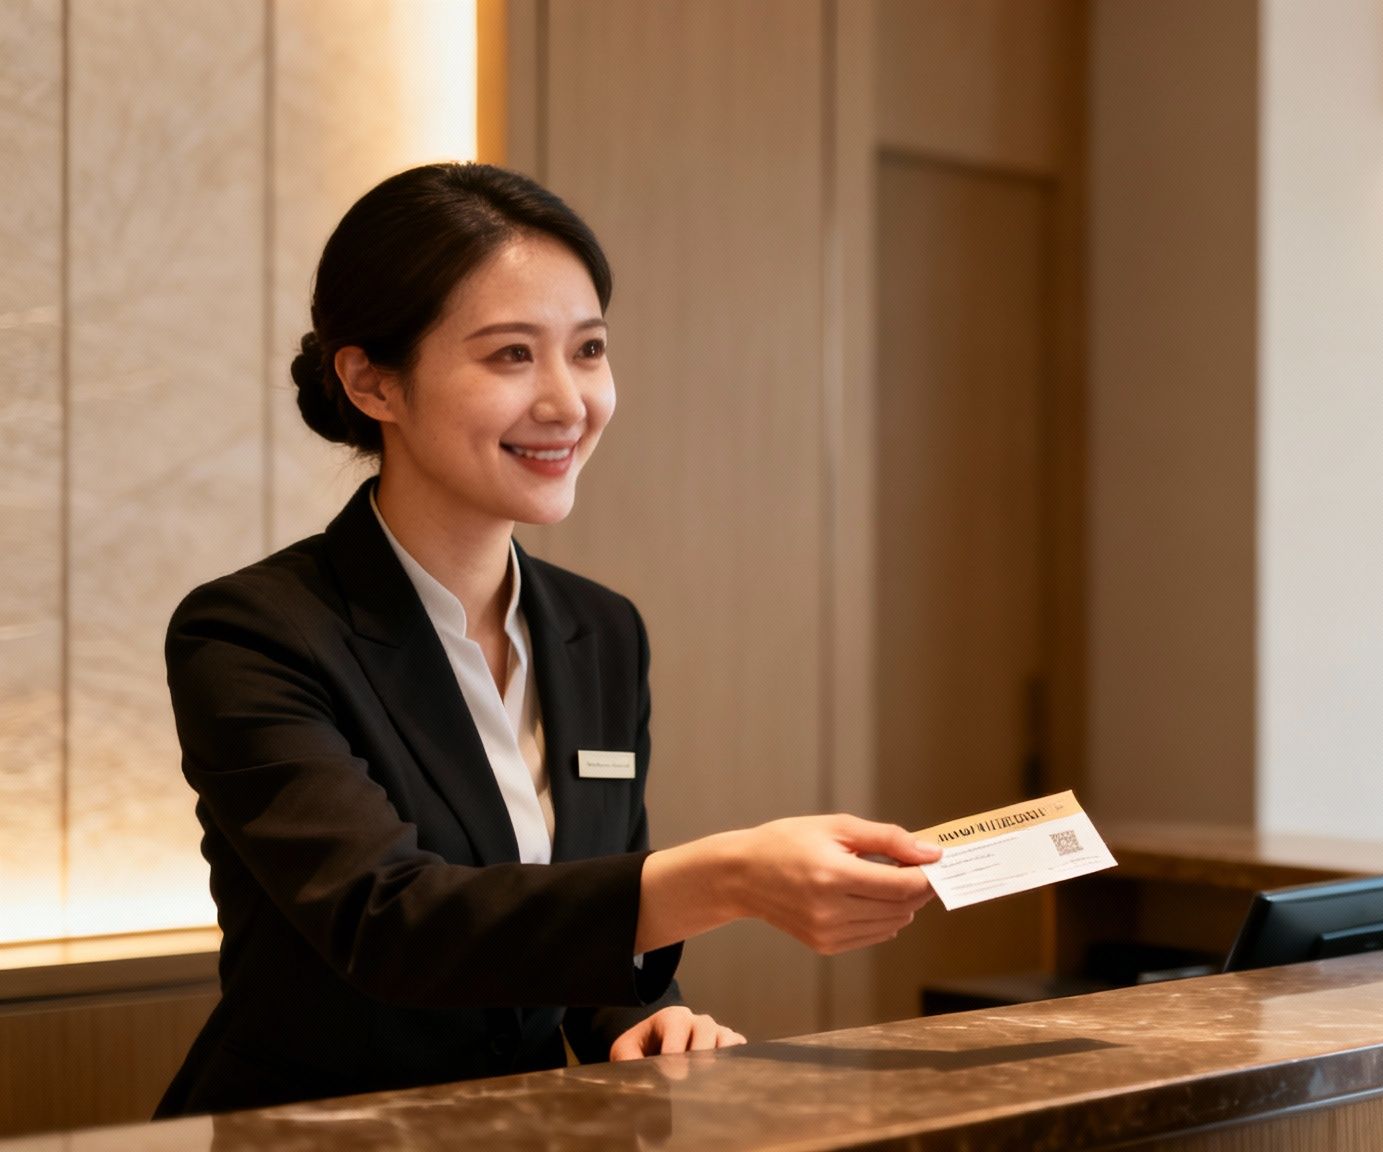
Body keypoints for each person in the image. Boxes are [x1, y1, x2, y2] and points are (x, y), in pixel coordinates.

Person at [157, 163, 941, 1117]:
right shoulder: (253, 633)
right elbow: (390, 923)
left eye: (590, 350)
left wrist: (636, 1016)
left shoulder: (600, 630)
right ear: (372, 382)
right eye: (510, 356)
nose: (569, 403)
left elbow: (582, 924)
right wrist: (732, 876)